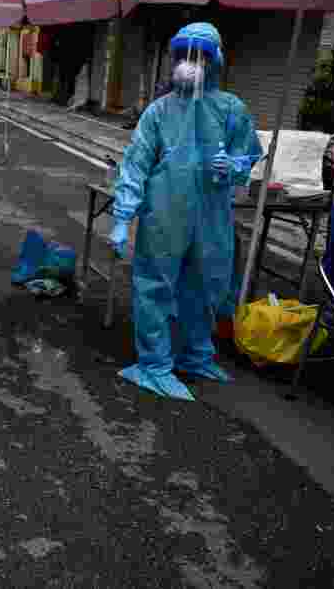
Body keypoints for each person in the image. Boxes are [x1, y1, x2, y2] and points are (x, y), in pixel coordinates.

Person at [108, 22, 262, 401]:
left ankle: (196, 354)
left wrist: (235, 167)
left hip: (211, 214)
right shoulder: (158, 113)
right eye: (184, 55)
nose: (190, 64)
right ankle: (154, 363)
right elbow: (136, 165)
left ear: (214, 62)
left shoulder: (231, 109)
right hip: (164, 212)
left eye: (200, 56)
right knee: (156, 285)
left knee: (207, 284)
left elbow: (249, 153)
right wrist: (122, 218)